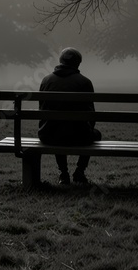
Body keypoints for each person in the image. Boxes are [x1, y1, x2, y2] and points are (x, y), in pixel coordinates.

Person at [38, 47, 101, 185]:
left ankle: (63, 173)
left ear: (60, 61)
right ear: (78, 63)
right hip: (78, 136)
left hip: (49, 135)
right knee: (96, 134)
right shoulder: (85, 82)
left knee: (56, 126)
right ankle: (79, 171)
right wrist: (88, 129)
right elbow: (91, 114)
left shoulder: (46, 80)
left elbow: (42, 109)